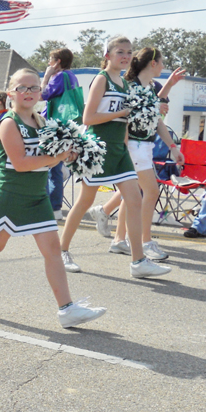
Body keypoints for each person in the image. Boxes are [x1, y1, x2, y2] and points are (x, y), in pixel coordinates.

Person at [0, 68, 106, 328]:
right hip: (11, 194)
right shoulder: (8, 123)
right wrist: (56, 158)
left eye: (34, 87)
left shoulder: (43, 121)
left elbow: (47, 160)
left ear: (40, 92)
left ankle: (67, 309)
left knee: (52, 250)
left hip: (37, 195)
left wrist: (71, 154)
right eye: (22, 88)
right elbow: (21, 163)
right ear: (11, 93)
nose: (28, 92)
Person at [59, 36, 170, 278]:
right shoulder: (102, 79)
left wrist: (148, 112)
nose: (126, 56)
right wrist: (124, 111)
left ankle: (138, 261)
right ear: (108, 55)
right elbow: (88, 119)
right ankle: (62, 251)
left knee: (134, 199)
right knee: (84, 203)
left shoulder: (126, 84)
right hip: (98, 148)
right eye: (120, 51)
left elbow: (131, 119)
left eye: (129, 52)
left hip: (120, 150)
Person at [91, 52, 187, 260]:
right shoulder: (130, 87)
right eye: (162, 62)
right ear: (153, 63)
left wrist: (172, 147)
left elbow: (157, 121)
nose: (163, 66)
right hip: (133, 145)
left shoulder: (151, 88)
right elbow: (123, 120)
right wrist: (124, 148)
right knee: (150, 192)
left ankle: (118, 239)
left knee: (133, 194)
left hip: (145, 145)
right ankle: (145, 242)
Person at [40, 48, 81, 220]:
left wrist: (46, 76)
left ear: (57, 62)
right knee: (55, 167)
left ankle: (53, 207)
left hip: (55, 124)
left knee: (51, 168)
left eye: (51, 60)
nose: (48, 63)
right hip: (68, 124)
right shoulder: (72, 76)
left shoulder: (59, 77)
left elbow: (43, 95)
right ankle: (54, 206)